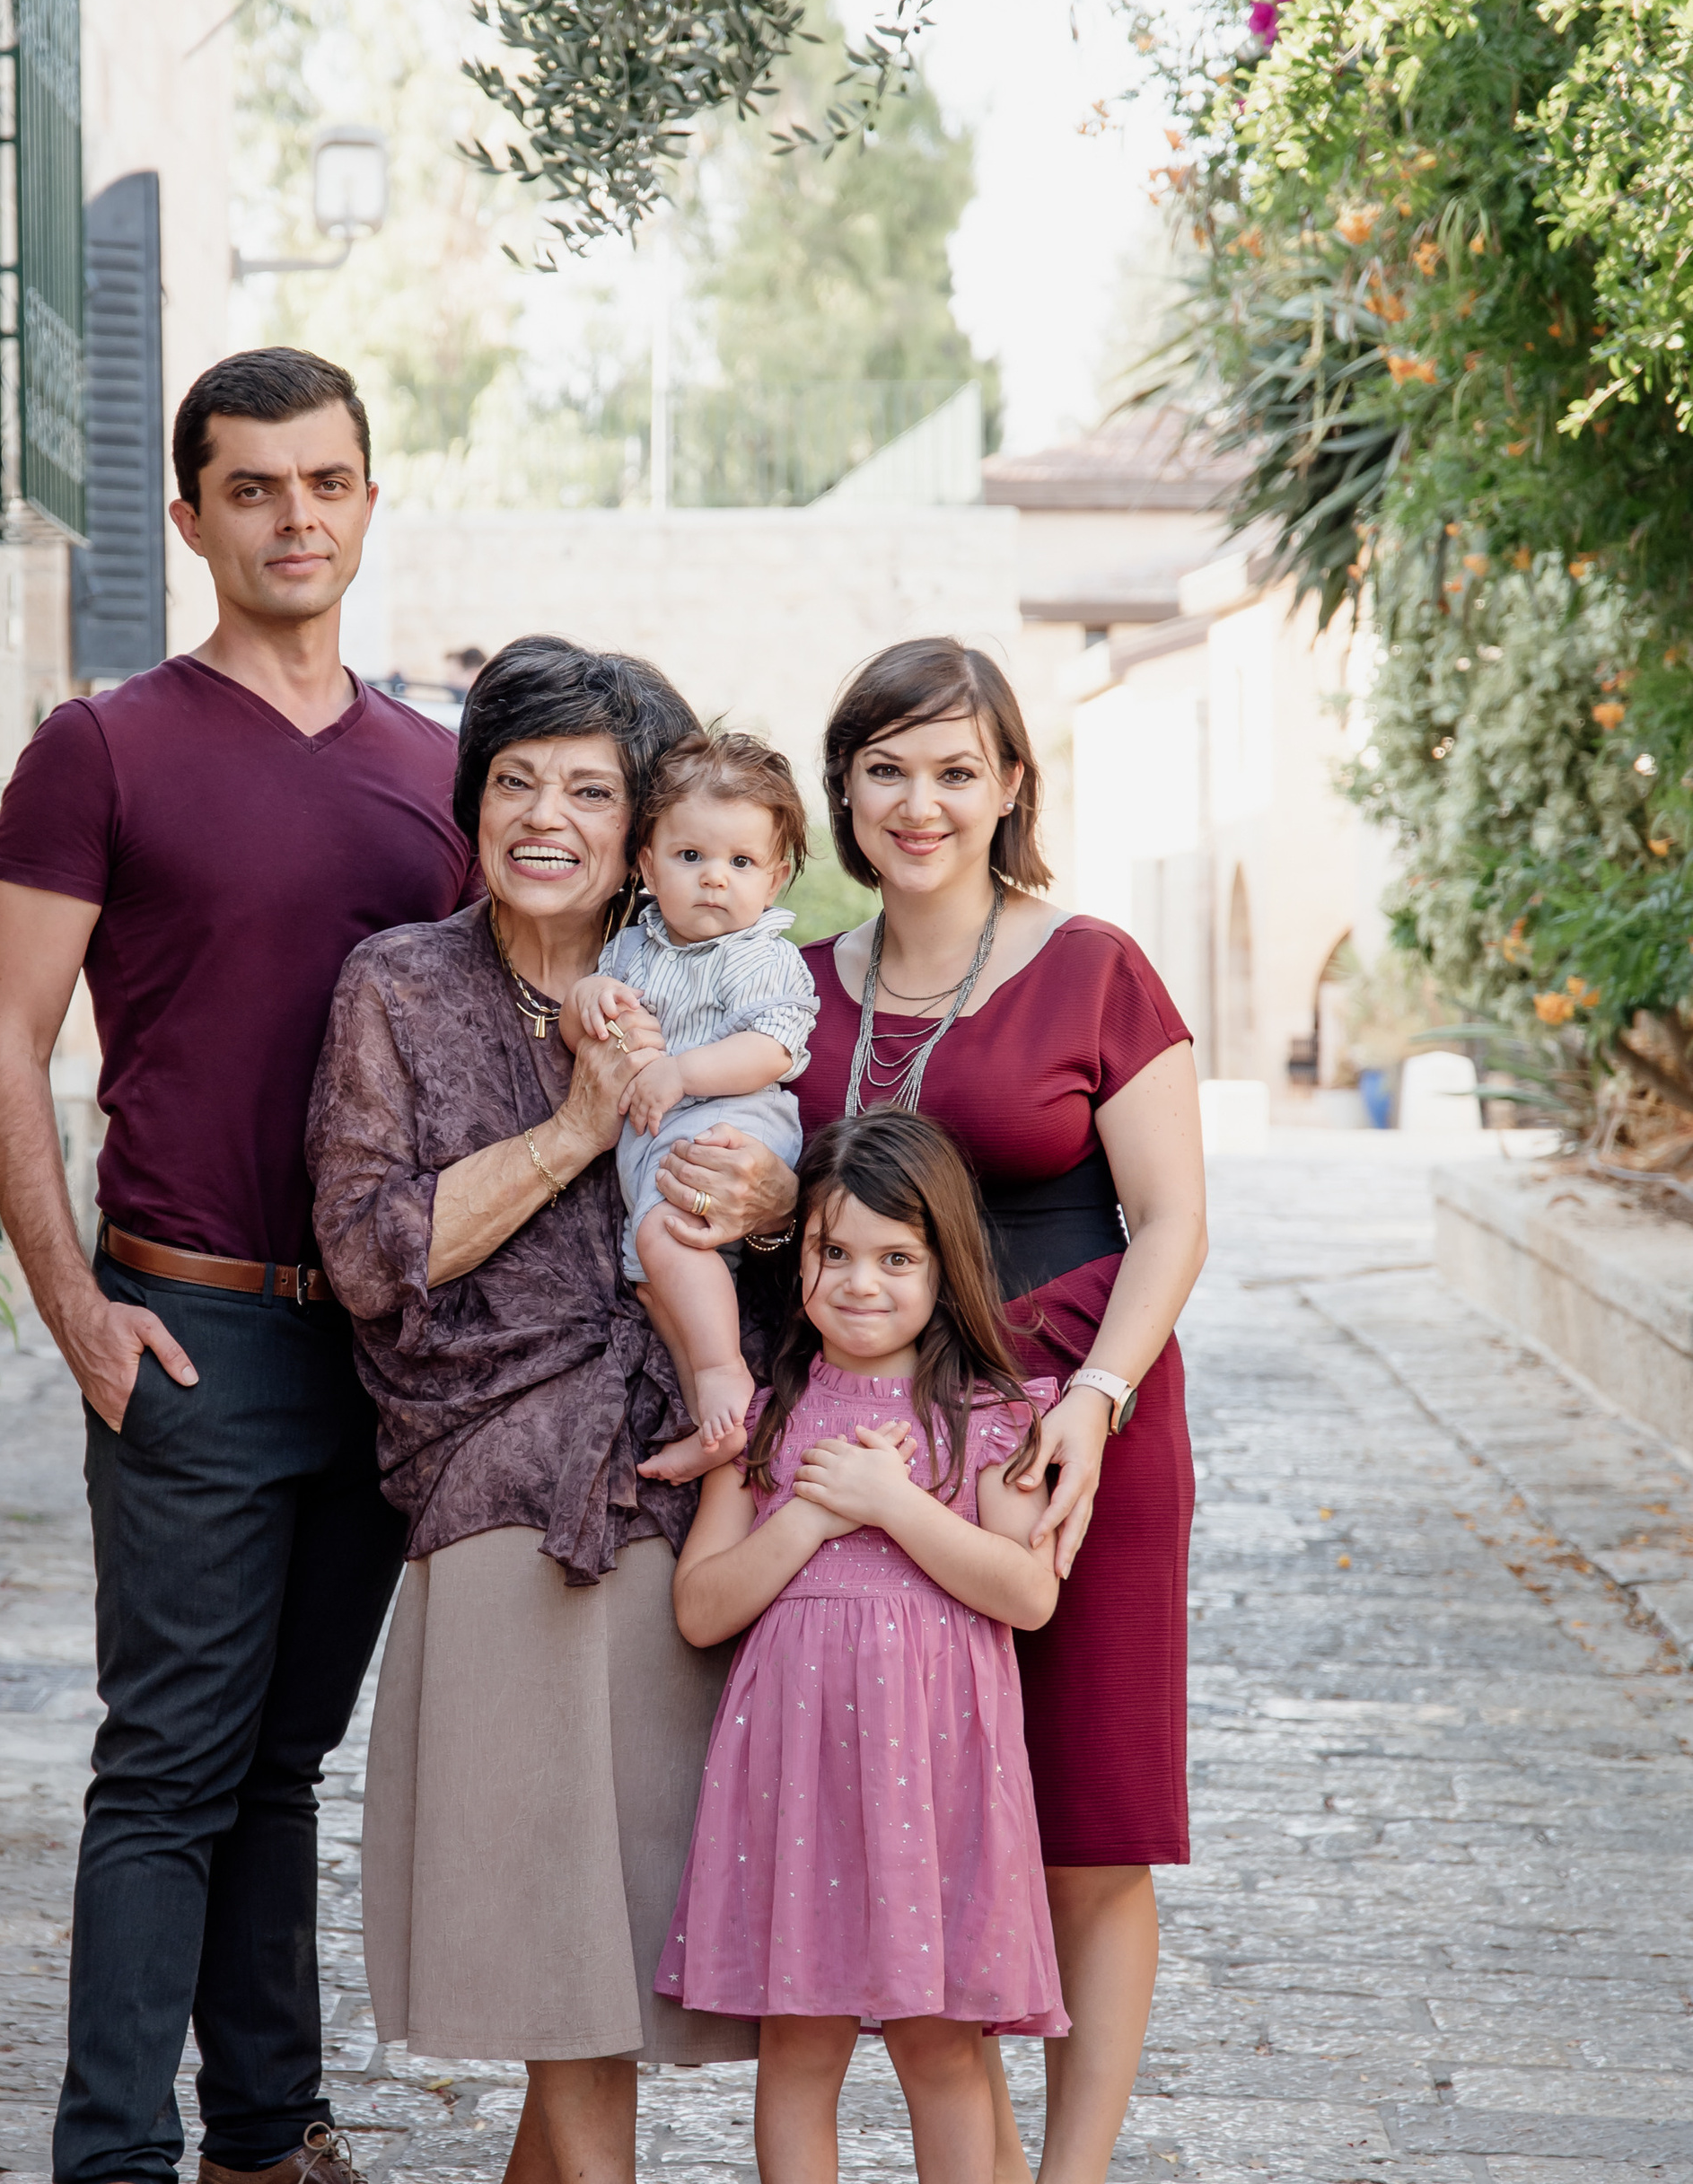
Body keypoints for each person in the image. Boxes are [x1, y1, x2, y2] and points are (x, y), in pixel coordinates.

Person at [0, 347, 478, 2184]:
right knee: (169, 1766)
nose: (291, 517)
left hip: (386, 1348)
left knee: (279, 1759)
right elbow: (1, 1033)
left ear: (365, 497)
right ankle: (112, 2154)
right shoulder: (102, 746)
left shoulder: (440, 778)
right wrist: (76, 1312)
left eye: (321, 481)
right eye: (249, 487)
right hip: (183, 1324)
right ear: (187, 515)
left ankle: (267, 2132)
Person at [646, 639, 1207, 2184]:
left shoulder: (1096, 966)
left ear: (1012, 786)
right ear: (841, 791)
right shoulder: (792, 989)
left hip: (1070, 1435)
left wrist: (1095, 1401)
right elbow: (794, 1204)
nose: (922, 801)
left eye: (958, 768)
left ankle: (1067, 2178)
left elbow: (1172, 1221)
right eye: (887, 767)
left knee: (1084, 1826)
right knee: (933, 1823)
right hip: (870, 1437)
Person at [305, 637, 758, 2184]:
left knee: (611, 1963)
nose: (546, 817)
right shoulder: (402, 985)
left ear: (642, 827)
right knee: (566, 1975)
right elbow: (373, 1252)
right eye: (515, 782)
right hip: (497, 1488)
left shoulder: (703, 983)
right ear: (471, 804)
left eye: (588, 788)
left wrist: (766, 1196)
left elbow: (799, 1206)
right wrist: (578, 1124)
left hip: (678, 1496)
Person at [659, 1110, 1068, 2184]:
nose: (859, 1282)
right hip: (797, 1786)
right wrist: (807, 1516)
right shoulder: (761, 1414)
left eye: (896, 1257)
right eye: (830, 1252)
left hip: (935, 1782)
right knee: (798, 2042)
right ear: (796, 1258)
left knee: (941, 2044)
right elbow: (701, 1607)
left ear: (945, 1265)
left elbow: (1025, 1591)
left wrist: (892, 1503)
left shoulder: (992, 1407)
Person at [566, 731, 818, 1475]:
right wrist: (589, 996)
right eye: (691, 857)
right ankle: (723, 1422)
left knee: (672, 1242)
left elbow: (775, 1047)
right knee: (652, 1280)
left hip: (727, 1123)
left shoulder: (757, 953)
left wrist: (680, 1072)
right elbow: (591, 1020)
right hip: (655, 1141)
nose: (715, 880)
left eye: (740, 863)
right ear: (646, 865)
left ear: (773, 881)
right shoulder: (635, 946)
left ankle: (722, 1376)